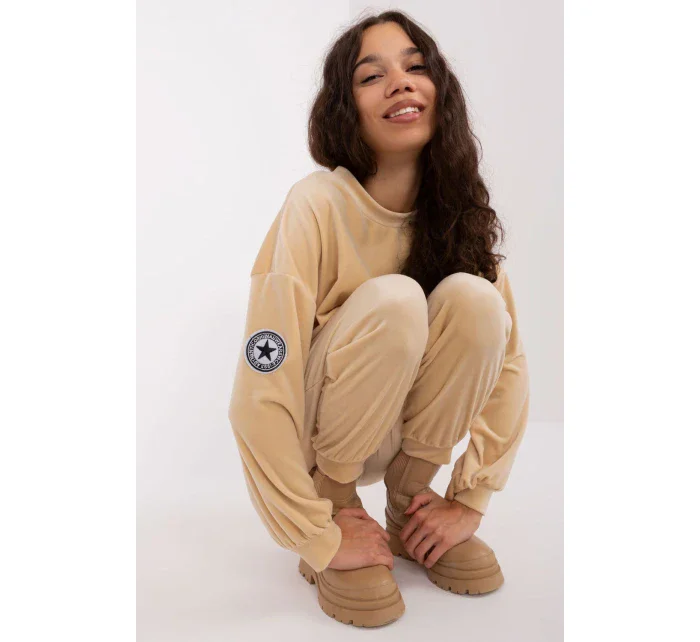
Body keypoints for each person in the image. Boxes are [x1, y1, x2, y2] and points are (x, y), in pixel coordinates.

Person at [228, 9, 530, 627]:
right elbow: (261, 386)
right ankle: (339, 503)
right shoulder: (315, 205)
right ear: (346, 109)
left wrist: (469, 500)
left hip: (402, 435)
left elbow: (509, 367)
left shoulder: (457, 212)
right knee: (396, 299)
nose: (400, 82)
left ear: (440, 89)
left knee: (477, 301)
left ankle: (410, 506)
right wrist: (315, 534)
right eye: (372, 76)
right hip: (323, 438)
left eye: (416, 67)